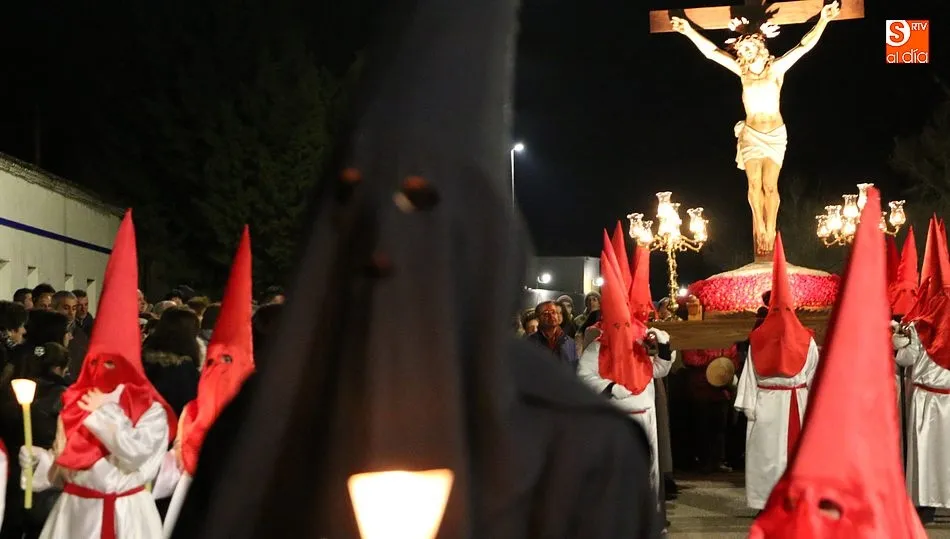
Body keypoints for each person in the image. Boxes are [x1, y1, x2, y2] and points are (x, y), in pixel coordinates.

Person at [167, 0, 659, 535]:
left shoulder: (579, 447)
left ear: (483, 239)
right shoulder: (262, 431)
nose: (381, 241)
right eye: (351, 201)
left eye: (417, 201)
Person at [751, 188, 925, 537]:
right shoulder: (784, 339)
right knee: (760, 197)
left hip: (801, 405)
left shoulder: (804, 340)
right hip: (794, 406)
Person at [18, 211, 177, 539]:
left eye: (110, 364)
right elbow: (67, 469)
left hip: (125, 518)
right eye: (95, 363)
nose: (99, 372)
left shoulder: (148, 407)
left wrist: (103, 413)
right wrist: (42, 463)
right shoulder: (75, 397)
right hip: (75, 515)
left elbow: (137, 455)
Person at [670, 2, 840, 256]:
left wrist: (823, 21)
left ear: (759, 47)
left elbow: (804, 47)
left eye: (748, 48)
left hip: (774, 135)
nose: (743, 53)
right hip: (750, 133)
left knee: (770, 186)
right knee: (753, 183)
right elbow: (713, 52)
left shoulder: (776, 69)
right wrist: (688, 31)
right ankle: (759, 225)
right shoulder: (742, 72)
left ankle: (770, 227)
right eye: (742, 50)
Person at [159, 227, 255, 537]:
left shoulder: (262, 415)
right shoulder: (191, 410)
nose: (218, 370)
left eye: (228, 361)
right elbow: (170, 472)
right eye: (212, 361)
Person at [578, 232, 672, 509]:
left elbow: (659, 370)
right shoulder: (596, 347)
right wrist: (612, 388)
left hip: (645, 415)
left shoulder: (643, 341)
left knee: (648, 470)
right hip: (615, 417)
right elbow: (583, 377)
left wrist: (664, 346)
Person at [736, 233, 819, 510]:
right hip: (788, 400)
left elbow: (748, 377)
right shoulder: (806, 340)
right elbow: (814, 376)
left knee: (775, 454)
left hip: (774, 402)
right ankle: (771, 502)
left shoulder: (761, 339)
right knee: (768, 456)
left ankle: (784, 502)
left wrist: (748, 405)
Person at [893, 217, 950, 524]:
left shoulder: (919, 326)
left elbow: (906, 360)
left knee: (927, 454)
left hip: (927, 400)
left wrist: (896, 341)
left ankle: (925, 505)